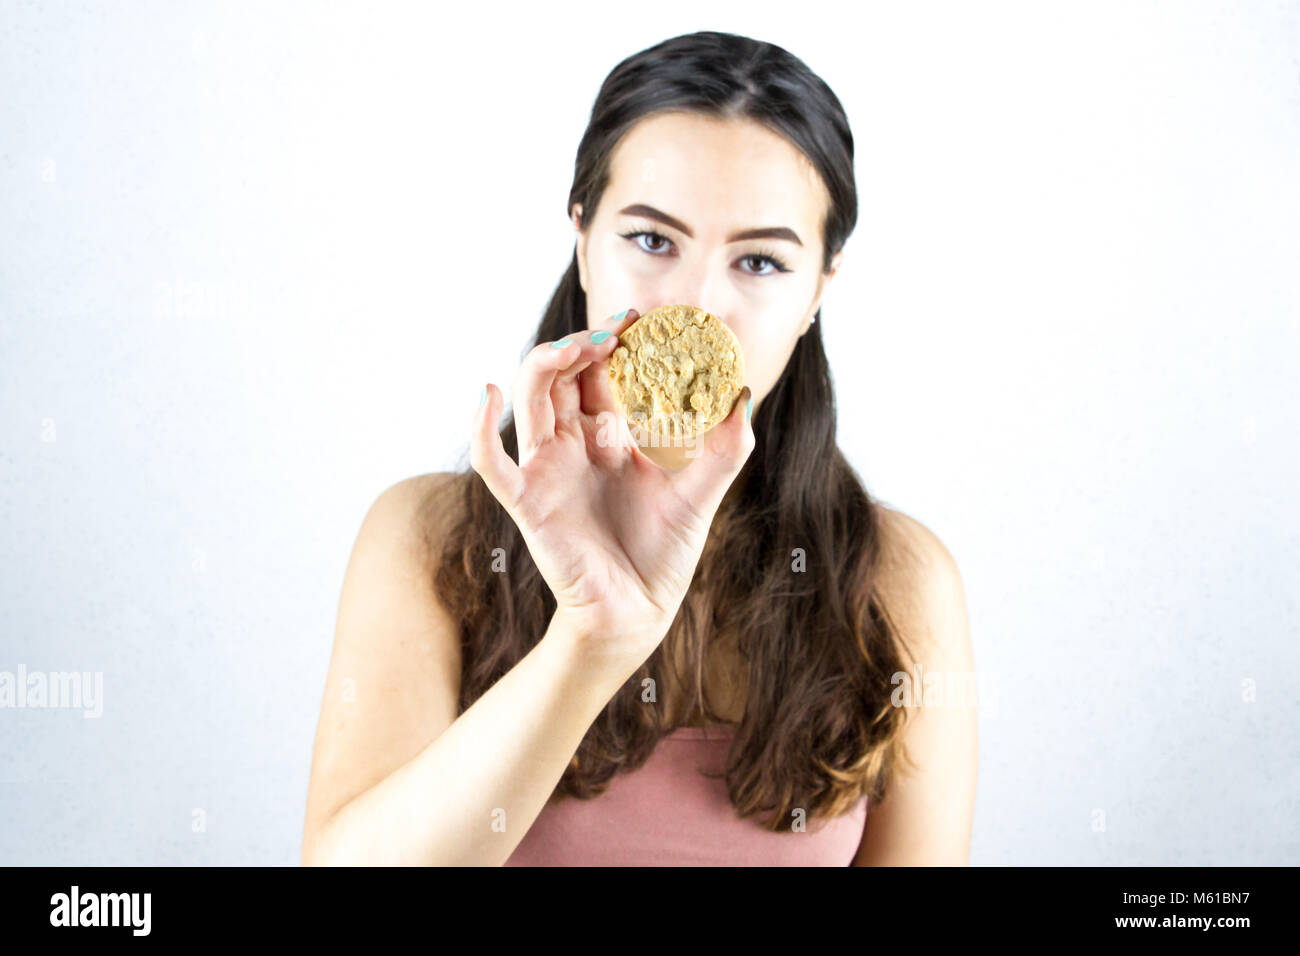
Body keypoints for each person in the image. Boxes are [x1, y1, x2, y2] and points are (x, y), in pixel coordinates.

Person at [301, 30, 977, 866]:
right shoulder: (430, 539)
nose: (696, 309)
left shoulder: (901, 584)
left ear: (817, 293)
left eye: (761, 262)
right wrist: (591, 641)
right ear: (583, 239)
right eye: (652, 241)